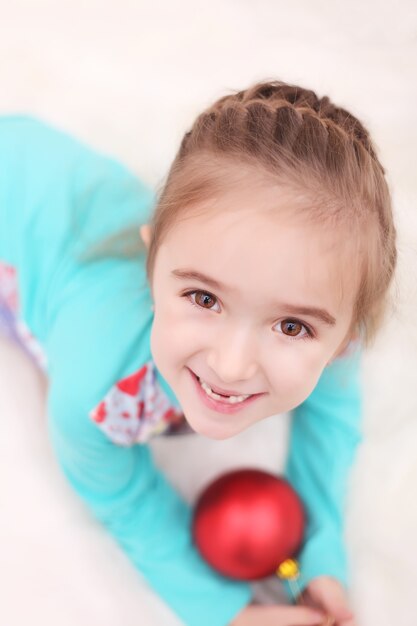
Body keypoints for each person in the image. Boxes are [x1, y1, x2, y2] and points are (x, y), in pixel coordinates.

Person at [0, 80, 397, 626]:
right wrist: (225, 612)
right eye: (203, 297)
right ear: (151, 265)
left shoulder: (335, 328)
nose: (231, 367)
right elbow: (120, 497)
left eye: (290, 326)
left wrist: (319, 555)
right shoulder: (95, 385)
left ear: (345, 337)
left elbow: (330, 422)